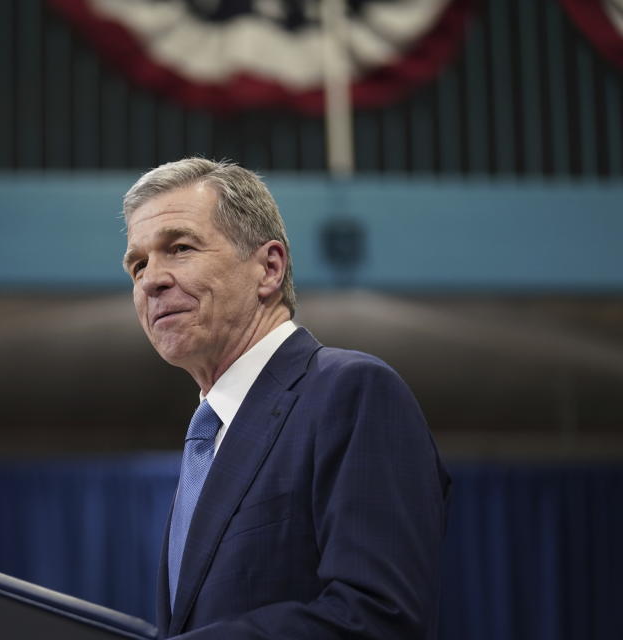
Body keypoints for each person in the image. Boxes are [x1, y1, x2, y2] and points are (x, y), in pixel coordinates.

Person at [121, 158, 451, 639]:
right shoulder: (207, 442)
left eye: (180, 247)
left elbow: (380, 616)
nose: (151, 279)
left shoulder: (350, 392)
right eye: (138, 264)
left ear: (269, 268)